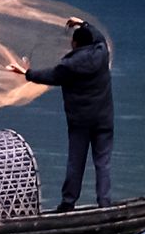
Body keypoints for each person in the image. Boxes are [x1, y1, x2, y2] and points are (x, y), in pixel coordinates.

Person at [7, 20, 113, 211]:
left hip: (80, 122)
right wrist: (83, 23)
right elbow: (98, 36)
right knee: (102, 162)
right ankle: (104, 203)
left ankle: (68, 203)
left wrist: (26, 73)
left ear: (75, 44)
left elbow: (50, 76)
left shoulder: (69, 65)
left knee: (75, 162)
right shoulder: (101, 52)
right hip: (103, 120)